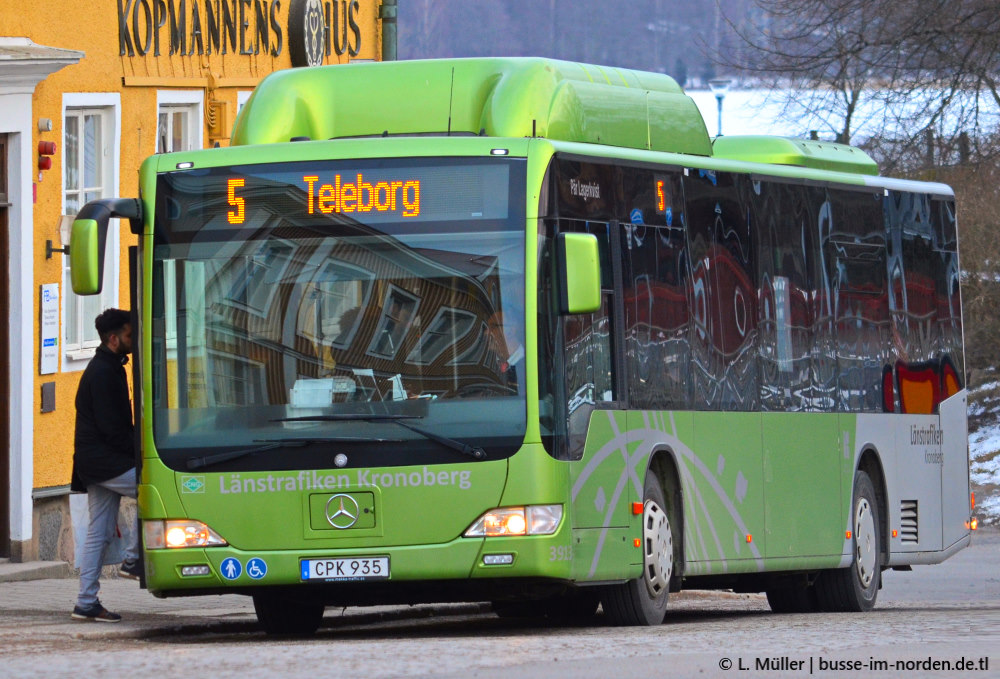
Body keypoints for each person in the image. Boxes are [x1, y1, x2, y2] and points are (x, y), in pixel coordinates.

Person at [70, 308, 141, 623]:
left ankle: (86, 603)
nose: (132, 340)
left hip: (94, 463)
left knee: (97, 532)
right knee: (155, 490)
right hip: (105, 462)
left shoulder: (106, 366)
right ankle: (133, 559)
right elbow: (113, 428)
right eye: (128, 335)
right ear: (114, 339)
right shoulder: (104, 372)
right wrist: (138, 451)